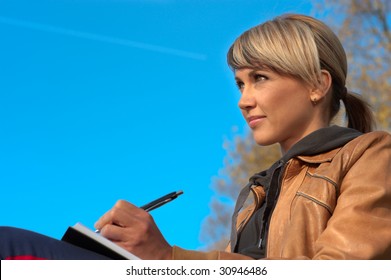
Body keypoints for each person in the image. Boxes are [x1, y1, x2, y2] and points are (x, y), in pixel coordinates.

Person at [1, 13, 390, 260]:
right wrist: (150, 257)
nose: (244, 100)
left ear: (317, 85)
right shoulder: (255, 195)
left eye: (260, 79)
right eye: (239, 84)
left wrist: (168, 257)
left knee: (13, 249)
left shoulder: (372, 155)